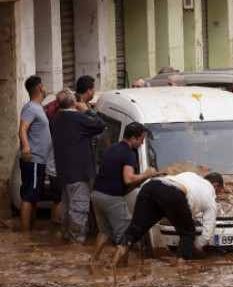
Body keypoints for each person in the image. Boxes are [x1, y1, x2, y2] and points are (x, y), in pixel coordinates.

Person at [113, 171, 224, 267]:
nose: (217, 194)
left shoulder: (191, 175)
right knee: (188, 233)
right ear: (215, 185)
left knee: (135, 229)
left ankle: (114, 265)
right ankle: (181, 268)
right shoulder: (210, 197)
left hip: (151, 186)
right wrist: (195, 247)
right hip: (173, 193)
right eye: (219, 191)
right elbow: (207, 232)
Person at [90, 122, 158, 263]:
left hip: (97, 195)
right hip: (110, 198)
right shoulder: (129, 154)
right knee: (126, 234)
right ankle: (119, 268)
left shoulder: (113, 148)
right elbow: (128, 179)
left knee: (106, 229)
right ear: (133, 138)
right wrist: (146, 174)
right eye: (142, 139)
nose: (142, 143)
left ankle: (93, 260)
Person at [50, 87, 105, 244]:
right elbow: (100, 125)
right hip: (79, 172)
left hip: (64, 172)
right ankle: (76, 243)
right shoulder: (78, 118)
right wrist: (86, 111)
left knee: (67, 207)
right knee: (79, 209)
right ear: (75, 102)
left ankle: (67, 239)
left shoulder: (57, 118)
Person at [18, 76, 54, 234]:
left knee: (33, 197)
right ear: (40, 88)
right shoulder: (31, 108)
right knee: (28, 196)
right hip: (33, 159)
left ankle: (30, 231)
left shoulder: (37, 108)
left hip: (39, 160)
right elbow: (22, 128)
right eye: (44, 86)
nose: (45, 88)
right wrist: (26, 146)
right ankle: (26, 235)